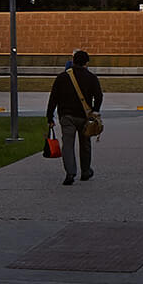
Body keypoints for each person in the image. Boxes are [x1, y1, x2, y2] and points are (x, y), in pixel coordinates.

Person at [44, 48, 103, 185]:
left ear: (73, 61)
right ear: (86, 63)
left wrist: (49, 117)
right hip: (85, 117)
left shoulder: (62, 77)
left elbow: (53, 98)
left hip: (66, 116)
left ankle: (70, 172)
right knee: (85, 145)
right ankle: (86, 171)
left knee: (68, 145)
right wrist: (95, 110)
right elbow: (99, 96)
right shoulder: (91, 78)